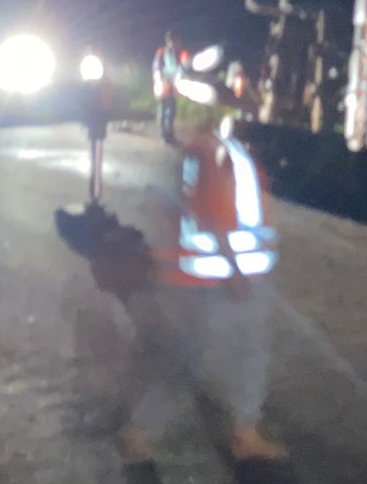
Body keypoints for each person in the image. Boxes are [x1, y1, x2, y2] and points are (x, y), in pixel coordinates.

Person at [92, 94, 284, 469]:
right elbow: (213, 215)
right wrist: (235, 271)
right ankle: (140, 433)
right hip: (214, 280)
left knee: (246, 355)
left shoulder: (207, 154)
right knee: (190, 364)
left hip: (216, 276)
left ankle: (245, 431)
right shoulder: (212, 155)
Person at [153, 31, 181, 145]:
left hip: (173, 85)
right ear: (167, 40)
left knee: (172, 111)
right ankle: (164, 134)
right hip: (164, 84)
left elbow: (179, 69)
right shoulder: (161, 52)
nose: (173, 43)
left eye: (174, 40)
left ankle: (169, 134)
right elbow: (156, 67)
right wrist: (160, 80)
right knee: (164, 110)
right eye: (170, 40)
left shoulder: (177, 54)